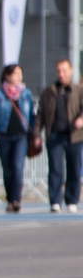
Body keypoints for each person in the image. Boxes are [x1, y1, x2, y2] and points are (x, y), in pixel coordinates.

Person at [0, 63, 36, 213]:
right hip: (3, 135)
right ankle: (10, 199)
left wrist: (34, 132)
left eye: (20, 73)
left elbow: (31, 115)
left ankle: (16, 200)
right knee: (8, 169)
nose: (19, 76)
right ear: (7, 76)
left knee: (17, 166)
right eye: (16, 73)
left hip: (21, 135)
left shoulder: (25, 93)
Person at [37, 58, 83, 213]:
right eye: (59, 71)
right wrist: (36, 134)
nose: (61, 74)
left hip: (75, 136)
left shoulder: (78, 90)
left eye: (64, 70)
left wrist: (81, 119)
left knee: (74, 169)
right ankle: (55, 201)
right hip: (55, 135)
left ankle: (72, 200)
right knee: (55, 169)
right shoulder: (49, 91)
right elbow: (40, 114)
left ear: (71, 70)